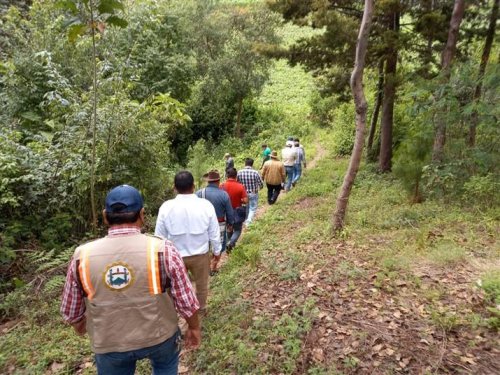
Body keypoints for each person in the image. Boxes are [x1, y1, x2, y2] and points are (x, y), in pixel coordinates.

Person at [61, 185, 201, 375]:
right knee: (165, 366)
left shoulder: (82, 255)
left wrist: (80, 325)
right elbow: (186, 301)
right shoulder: (162, 249)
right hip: (159, 338)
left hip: (109, 343)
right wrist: (193, 327)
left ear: (104, 216)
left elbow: (71, 312)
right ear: (142, 215)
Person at [155, 171, 221, 313]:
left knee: (175, 287)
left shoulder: (166, 207)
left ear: (174, 187)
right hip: (201, 254)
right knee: (201, 285)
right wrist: (217, 251)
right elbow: (214, 231)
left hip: (175, 256)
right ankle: (200, 310)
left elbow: (159, 237)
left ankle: (178, 312)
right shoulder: (205, 205)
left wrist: (160, 258)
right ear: (193, 186)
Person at [196, 170, 234, 273]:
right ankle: (214, 266)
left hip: (202, 223)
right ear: (218, 181)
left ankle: (206, 266)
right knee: (218, 245)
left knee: (205, 245)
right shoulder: (223, 194)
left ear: (208, 181)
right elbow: (229, 212)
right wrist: (230, 224)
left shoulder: (199, 193)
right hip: (219, 223)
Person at [221, 167, 248, 252]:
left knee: (229, 228)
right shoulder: (240, 186)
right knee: (238, 229)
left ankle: (230, 244)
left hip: (224, 212)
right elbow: (245, 201)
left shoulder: (221, 186)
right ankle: (231, 243)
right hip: (236, 211)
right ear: (236, 176)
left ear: (227, 176)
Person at [237, 158, 264, 226]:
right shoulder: (255, 172)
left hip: (243, 193)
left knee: (246, 206)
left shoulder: (239, 172)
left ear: (245, 164)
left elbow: (237, 182)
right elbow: (260, 183)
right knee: (252, 207)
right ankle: (248, 221)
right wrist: (260, 187)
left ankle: (245, 219)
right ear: (252, 164)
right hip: (253, 192)